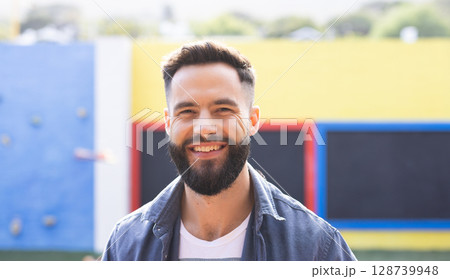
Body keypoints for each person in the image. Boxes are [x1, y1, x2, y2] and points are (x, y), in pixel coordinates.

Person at [102, 41, 356, 261]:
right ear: (168, 123)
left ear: (253, 120)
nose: (204, 129)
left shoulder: (317, 247)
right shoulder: (125, 245)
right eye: (187, 112)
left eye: (223, 109)